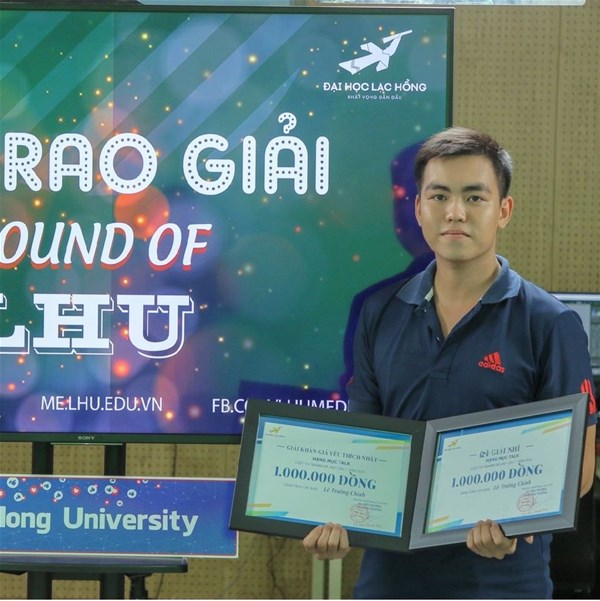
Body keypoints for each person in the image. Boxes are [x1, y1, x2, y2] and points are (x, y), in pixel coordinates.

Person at [303, 126, 598, 599]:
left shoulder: (549, 322)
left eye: (474, 197)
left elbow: (578, 468)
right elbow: (363, 446)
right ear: (419, 209)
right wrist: (335, 517)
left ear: (504, 211)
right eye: (439, 196)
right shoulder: (378, 312)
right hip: (390, 582)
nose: (455, 212)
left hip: (502, 582)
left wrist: (515, 520)